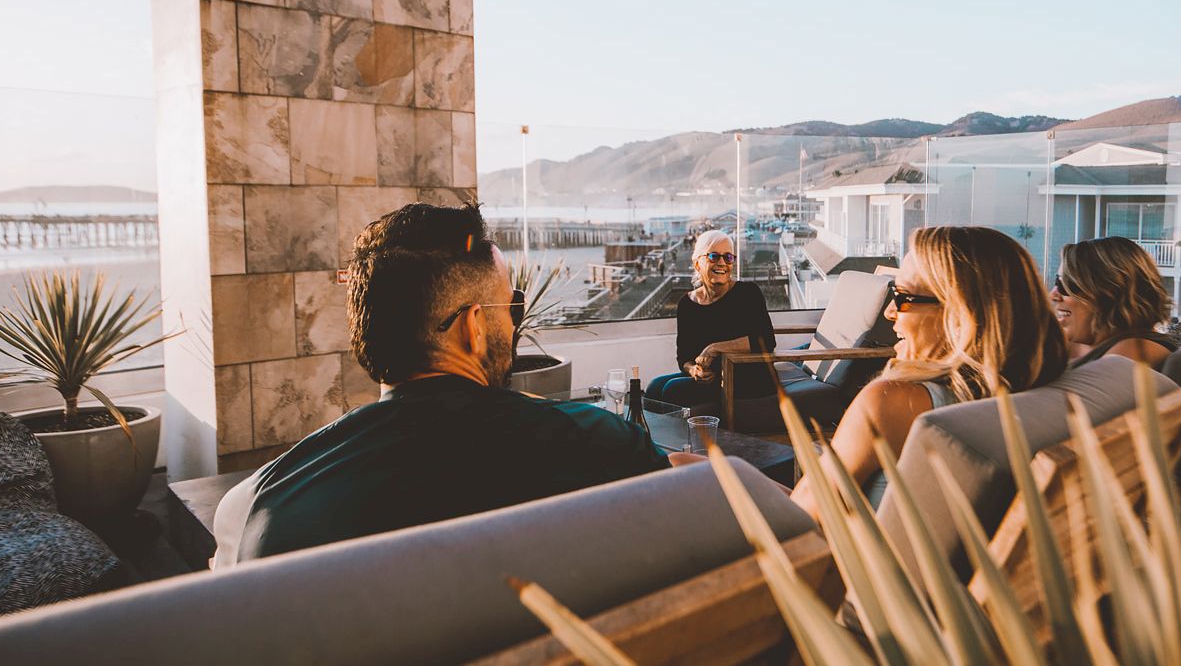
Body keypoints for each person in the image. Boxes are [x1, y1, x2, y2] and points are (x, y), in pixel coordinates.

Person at [218, 203, 668, 564]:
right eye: (511, 303)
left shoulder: (260, 503)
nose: (514, 319)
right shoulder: (594, 443)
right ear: (473, 326)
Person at [784, 225, 1067, 517]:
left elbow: (804, 515)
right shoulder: (1042, 391)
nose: (889, 312)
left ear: (960, 314)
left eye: (902, 296)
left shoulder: (894, 402)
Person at [647, 230, 776, 410]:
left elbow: (766, 340)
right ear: (697, 263)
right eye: (714, 256)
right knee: (653, 388)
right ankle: (650, 438)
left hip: (749, 377)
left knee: (671, 390)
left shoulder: (748, 293)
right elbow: (684, 357)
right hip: (710, 379)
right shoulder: (687, 304)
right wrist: (693, 370)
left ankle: (680, 437)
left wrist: (715, 348)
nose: (722, 263)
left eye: (728, 257)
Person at [1051, 236, 1178, 369]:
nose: (1053, 295)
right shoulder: (1093, 345)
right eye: (1057, 281)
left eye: (1066, 284)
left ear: (1109, 293)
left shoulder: (1135, 350)